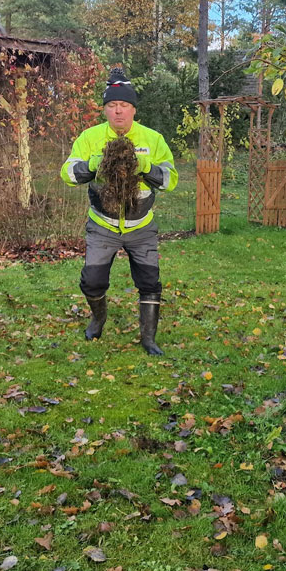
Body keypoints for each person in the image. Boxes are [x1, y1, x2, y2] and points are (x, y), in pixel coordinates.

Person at [60, 68, 178, 355]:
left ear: (133, 109)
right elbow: (67, 174)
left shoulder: (152, 139)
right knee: (92, 281)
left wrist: (147, 168)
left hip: (141, 227)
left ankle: (148, 339)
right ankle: (98, 318)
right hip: (103, 225)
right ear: (105, 110)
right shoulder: (90, 138)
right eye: (112, 105)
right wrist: (91, 165)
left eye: (124, 105)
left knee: (150, 282)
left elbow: (171, 180)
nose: (118, 111)